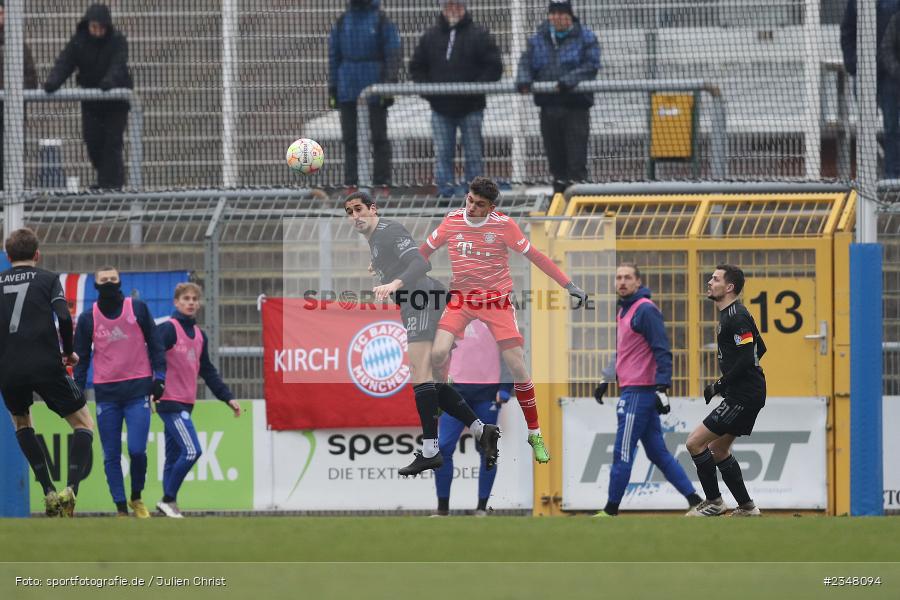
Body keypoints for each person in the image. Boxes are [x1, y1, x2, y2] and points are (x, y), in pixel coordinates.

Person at [419, 176, 589, 464]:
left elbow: (536, 256)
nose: (471, 207)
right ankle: (442, 390)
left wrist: (568, 285)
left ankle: (534, 433)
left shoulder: (504, 226)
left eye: (479, 204)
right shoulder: (451, 221)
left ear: (491, 207)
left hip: (496, 301)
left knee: (518, 367)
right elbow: (421, 253)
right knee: (436, 353)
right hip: (461, 299)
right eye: (470, 199)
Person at [344, 190, 500, 477]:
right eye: (350, 212)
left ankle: (430, 451)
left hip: (423, 299)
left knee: (421, 376)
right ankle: (482, 430)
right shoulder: (377, 241)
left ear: (373, 209)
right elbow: (399, 261)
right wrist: (380, 267)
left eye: (359, 209)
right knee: (433, 382)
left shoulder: (389, 231)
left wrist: (393, 283)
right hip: (422, 300)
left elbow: (420, 263)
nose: (355, 216)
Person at [592, 263, 702, 517]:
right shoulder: (624, 310)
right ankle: (695, 500)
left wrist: (662, 387)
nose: (622, 282)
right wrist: (606, 378)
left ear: (638, 282)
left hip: (638, 394)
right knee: (658, 453)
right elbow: (622, 350)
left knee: (622, 451)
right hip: (633, 391)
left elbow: (661, 350)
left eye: (628, 277)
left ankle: (610, 510)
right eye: (618, 277)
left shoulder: (645, 310)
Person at [0, 228, 94, 518]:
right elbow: (64, 316)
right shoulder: (48, 278)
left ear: (7, 255)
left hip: (9, 367)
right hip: (46, 362)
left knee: (22, 422)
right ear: (37, 255)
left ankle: (48, 491)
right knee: (84, 424)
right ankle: (71, 489)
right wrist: (68, 352)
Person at [72, 266, 166, 518]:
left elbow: (156, 344)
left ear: (120, 281)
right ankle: (120, 507)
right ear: (96, 285)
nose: (110, 283)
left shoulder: (137, 308)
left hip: (138, 392)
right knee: (111, 455)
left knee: (137, 450)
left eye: (113, 279)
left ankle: (136, 496)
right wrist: (77, 392)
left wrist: (160, 378)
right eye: (104, 280)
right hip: (106, 395)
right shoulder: (87, 318)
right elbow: (80, 359)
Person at [154, 283, 241, 518]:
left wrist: (228, 398)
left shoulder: (200, 335)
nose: (191, 302)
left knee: (173, 456)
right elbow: (153, 358)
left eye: (194, 299)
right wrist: (154, 387)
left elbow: (208, 371)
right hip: (169, 401)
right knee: (192, 450)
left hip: (186, 402)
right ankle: (168, 499)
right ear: (176, 302)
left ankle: (167, 507)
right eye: (186, 298)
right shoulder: (168, 330)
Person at [685, 265, 766, 517]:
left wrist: (720, 384)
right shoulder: (731, 314)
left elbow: (746, 358)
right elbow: (759, 348)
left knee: (695, 443)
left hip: (743, 396)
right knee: (718, 450)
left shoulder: (736, 316)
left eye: (715, 279)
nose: (709, 282)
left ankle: (714, 502)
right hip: (745, 393)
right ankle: (747, 507)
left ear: (729, 287)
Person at [409, 0, 502, 197]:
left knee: (474, 155)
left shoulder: (479, 35)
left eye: (457, 6)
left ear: (464, 8)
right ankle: (445, 194)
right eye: (449, 6)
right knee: (443, 154)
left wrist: (475, 89)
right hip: (441, 109)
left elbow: (494, 66)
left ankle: (476, 196)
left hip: (472, 108)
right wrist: (430, 93)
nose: (453, 10)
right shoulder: (430, 37)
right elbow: (417, 67)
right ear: (443, 9)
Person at [43, 3, 133, 189]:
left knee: (111, 142)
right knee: (92, 140)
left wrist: (109, 82)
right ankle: (108, 180)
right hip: (92, 101)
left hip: (115, 101)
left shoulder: (117, 41)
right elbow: (65, 62)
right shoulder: (79, 41)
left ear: (107, 27)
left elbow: (118, 64)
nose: (97, 31)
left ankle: (109, 185)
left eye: (101, 27)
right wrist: (53, 81)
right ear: (88, 25)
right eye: (94, 27)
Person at [516, 0, 600, 193]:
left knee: (576, 159)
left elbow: (591, 66)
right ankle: (559, 198)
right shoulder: (538, 39)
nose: (558, 17)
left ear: (570, 15)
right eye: (554, 13)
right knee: (555, 159)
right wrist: (523, 80)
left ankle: (578, 199)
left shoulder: (586, 38)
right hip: (549, 106)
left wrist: (567, 82)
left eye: (562, 13)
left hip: (576, 107)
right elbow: (525, 64)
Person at [434, 319, 512, 516]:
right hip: (454, 392)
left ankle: (481, 509)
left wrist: (505, 387)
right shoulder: (448, 316)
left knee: (487, 450)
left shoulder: (498, 316)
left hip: (487, 395)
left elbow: (511, 354)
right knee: (443, 448)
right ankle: (442, 510)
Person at [328, 0, 401, 189]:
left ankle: (381, 183)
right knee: (350, 139)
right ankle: (352, 184)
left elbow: (393, 53)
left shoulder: (381, 20)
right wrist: (333, 88)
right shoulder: (342, 21)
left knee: (378, 137)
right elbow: (334, 56)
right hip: (347, 89)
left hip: (375, 90)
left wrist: (388, 86)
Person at [841, 0, 900, 178]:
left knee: (892, 126)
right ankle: (867, 175)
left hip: (891, 75)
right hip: (865, 73)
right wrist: (853, 64)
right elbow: (848, 30)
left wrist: (895, 67)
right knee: (866, 125)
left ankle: (893, 177)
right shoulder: (856, 3)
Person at [0, 1, 39, 190]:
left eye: (2, 13)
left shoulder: (17, 44)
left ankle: (10, 194)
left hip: (12, 111)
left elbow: (31, 77)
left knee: (11, 154)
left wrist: (15, 93)